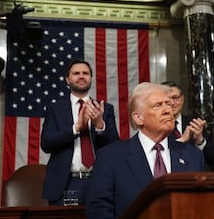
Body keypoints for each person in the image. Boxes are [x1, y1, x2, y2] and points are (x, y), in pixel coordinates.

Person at [86, 82, 204, 218]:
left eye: (169, 104)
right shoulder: (111, 157)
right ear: (138, 118)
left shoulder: (193, 155)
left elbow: (201, 206)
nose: (167, 110)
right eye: (158, 105)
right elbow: (98, 210)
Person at [40, 59, 119, 205]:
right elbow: (46, 143)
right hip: (66, 183)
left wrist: (100, 125)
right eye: (76, 73)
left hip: (100, 181)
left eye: (86, 73)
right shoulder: (55, 109)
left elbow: (116, 146)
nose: (81, 76)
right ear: (67, 79)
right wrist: (76, 127)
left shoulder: (104, 109)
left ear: (91, 78)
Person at [161, 80, 214, 167]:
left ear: (182, 99)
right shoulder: (155, 127)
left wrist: (200, 141)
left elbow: (212, 159)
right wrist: (181, 141)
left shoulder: (194, 123)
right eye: (167, 99)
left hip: (195, 178)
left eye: (175, 98)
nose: (172, 103)